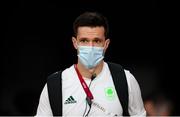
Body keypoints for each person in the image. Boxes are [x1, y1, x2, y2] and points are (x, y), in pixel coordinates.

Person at [35, 11, 146, 116]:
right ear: (75, 43)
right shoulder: (55, 85)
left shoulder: (125, 80)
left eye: (97, 41)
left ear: (106, 44)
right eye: (84, 41)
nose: (90, 47)